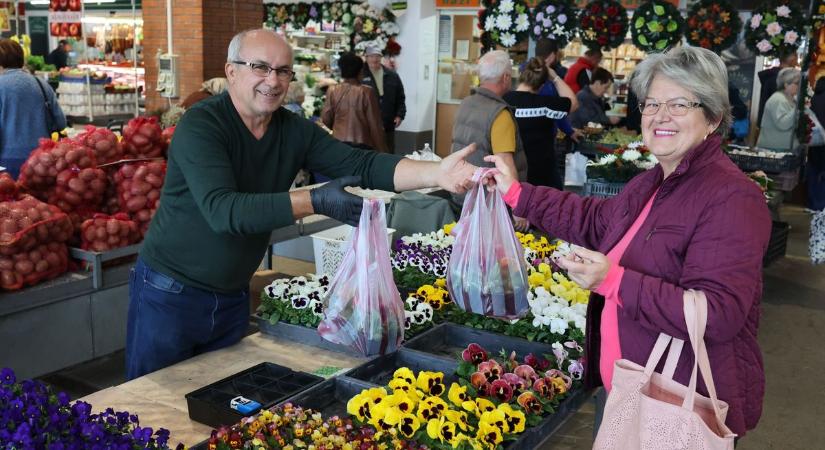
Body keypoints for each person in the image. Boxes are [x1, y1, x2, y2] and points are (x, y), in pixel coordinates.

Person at [126, 29, 480, 380]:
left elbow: (362, 165)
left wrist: (439, 172)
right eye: (260, 67)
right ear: (231, 72)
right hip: (170, 292)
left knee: (217, 405)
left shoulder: (292, 129)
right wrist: (315, 199)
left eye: (283, 71)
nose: (273, 80)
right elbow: (225, 211)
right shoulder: (202, 125)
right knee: (151, 401)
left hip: (231, 293)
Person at [484, 46, 770, 440]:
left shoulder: (731, 198)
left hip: (675, 402)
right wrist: (516, 193)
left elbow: (717, 313)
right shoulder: (653, 181)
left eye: (679, 104)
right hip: (629, 389)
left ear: (713, 118)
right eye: (651, 104)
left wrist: (613, 281)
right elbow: (592, 219)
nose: (659, 116)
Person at [450, 49, 528, 230]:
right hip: (489, 202)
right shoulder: (499, 114)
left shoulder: (465, 104)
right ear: (506, 77)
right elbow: (505, 164)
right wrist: (518, 206)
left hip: (462, 193)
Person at [0, 39, 66, 178]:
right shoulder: (41, 84)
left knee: (10, 197)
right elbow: (60, 122)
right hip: (42, 159)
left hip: (7, 160)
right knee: (37, 199)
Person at [504, 57, 573, 189]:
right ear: (542, 86)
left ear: (521, 76)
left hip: (512, 171)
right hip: (543, 176)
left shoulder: (503, 101)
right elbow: (573, 102)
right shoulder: (544, 104)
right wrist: (555, 77)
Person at [321, 52, 387, 152]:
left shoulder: (332, 90)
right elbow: (374, 125)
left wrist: (338, 126)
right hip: (362, 144)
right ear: (360, 71)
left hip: (338, 142)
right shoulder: (367, 92)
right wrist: (383, 150)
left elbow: (326, 118)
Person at [534, 38, 581, 144]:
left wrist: (570, 131)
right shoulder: (547, 77)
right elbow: (559, 109)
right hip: (543, 139)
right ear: (552, 56)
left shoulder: (526, 71)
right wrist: (569, 130)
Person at [361, 45, 406, 153]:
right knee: (369, 153)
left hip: (388, 123)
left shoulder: (392, 75)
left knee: (388, 152)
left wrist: (400, 115)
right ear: (366, 58)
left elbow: (400, 97)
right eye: (371, 56)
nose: (374, 59)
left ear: (381, 57)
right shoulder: (360, 75)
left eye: (377, 56)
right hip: (367, 125)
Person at [756, 67, 801, 152]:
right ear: (786, 84)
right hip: (773, 151)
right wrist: (798, 108)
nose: (799, 86)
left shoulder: (791, 99)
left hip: (782, 148)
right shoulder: (778, 99)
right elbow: (783, 124)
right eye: (797, 83)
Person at [757, 50, 797, 127]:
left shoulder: (771, 76)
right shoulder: (782, 79)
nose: (797, 63)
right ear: (792, 60)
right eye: (796, 60)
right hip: (775, 125)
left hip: (766, 122)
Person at [807, 76, 825, 211]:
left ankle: (812, 204)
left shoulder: (815, 98)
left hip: (815, 139)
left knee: (813, 170)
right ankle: (821, 204)